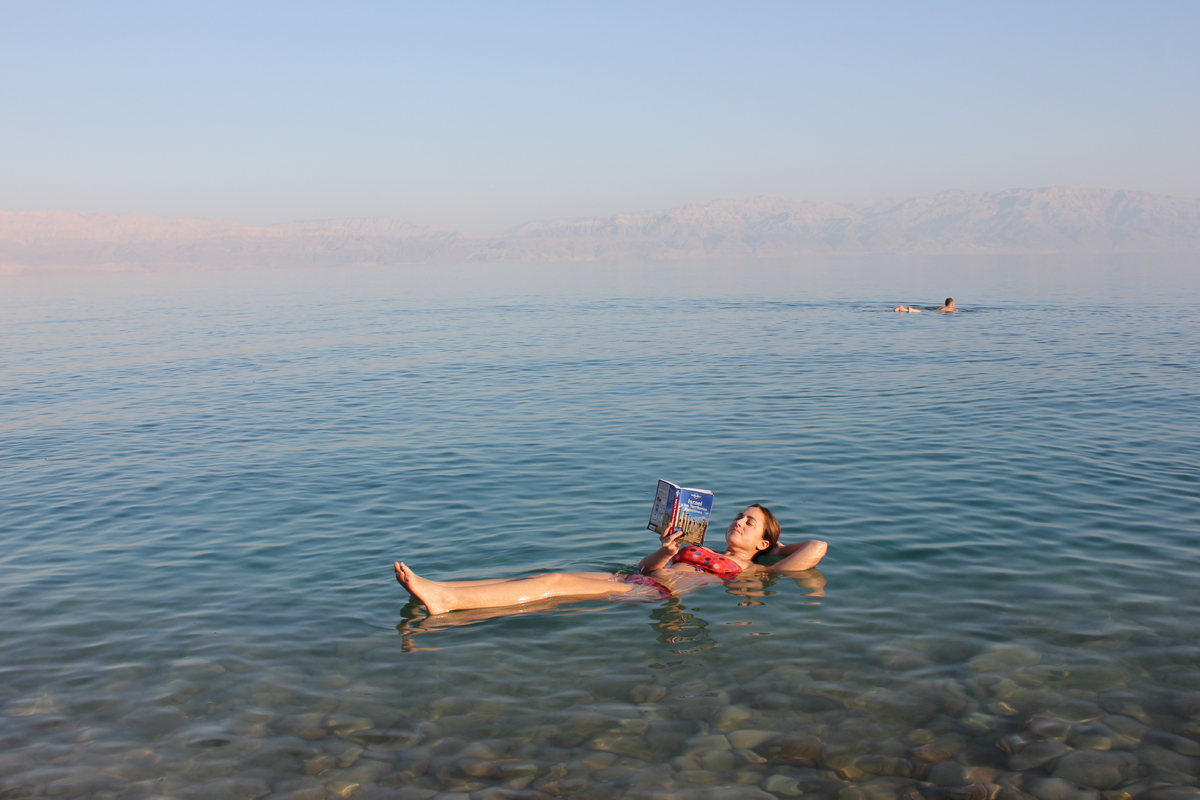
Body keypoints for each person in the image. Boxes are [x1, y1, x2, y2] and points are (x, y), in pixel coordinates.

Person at [393, 504, 828, 615]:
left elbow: (816, 548)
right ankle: (445, 591)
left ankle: (446, 600)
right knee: (548, 575)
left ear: (763, 544)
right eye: (738, 516)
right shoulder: (703, 549)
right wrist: (667, 549)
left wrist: (772, 548)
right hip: (641, 577)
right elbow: (646, 567)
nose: (738, 522)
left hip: (657, 594)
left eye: (750, 524)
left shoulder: (754, 569)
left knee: (557, 584)